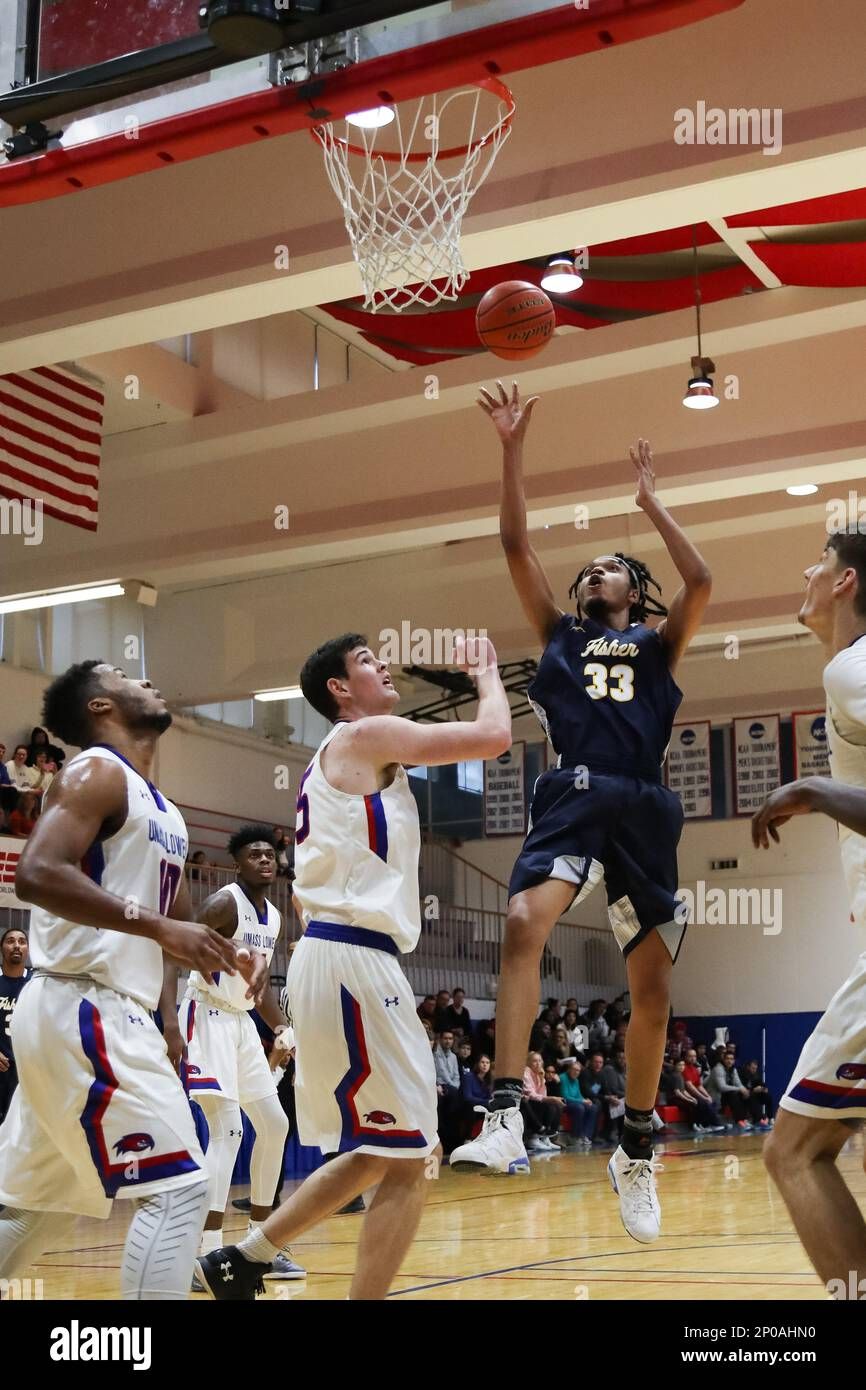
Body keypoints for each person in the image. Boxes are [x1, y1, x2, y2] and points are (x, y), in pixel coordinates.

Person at [452, 386, 711, 1241]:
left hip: (644, 804)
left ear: (636, 591)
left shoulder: (659, 642)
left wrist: (651, 502)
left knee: (655, 993)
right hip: (574, 791)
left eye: (612, 565)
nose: (596, 569)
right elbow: (513, 541)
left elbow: (703, 579)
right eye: (591, 566)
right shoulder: (558, 634)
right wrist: (510, 448)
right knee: (525, 920)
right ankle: (502, 1115)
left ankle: (635, 1148)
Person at [196, 631, 511, 1300]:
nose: (385, 664)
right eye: (368, 661)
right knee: (409, 1155)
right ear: (340, 689)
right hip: (351, 956)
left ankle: (244, 1259)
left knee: (384, 1149)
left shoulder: (358, 753)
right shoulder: (357, 739)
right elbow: (493, 737)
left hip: (343, 955)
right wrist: (488, 672)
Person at [0, 660, 257, 1300]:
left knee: (41, 1206)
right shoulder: (95, 771)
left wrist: (169, 1017)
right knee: (181, 1189)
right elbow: (34, 874)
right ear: (98, 707)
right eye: (121, 675)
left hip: (103, 1011)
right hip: (82, 1004)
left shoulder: (157, 802)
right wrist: (160, 930)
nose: (146, 678)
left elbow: (158, 920)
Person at [750, 524, 866, 1292]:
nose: (806, 571)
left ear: (847, 582)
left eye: (820, 563)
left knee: (792, 1150)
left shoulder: (854, 669)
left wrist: (810, 791)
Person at [171, 825, 301, 1283]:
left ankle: (259, 1246)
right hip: (205, 1015)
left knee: (275, 1125)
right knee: (226, 1132)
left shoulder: (275, 918)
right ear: (237, 864)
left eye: (269, 854)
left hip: (242, 1022)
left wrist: (280, 1025)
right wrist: (169, 1019)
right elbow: (181, 949)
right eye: (253, 855)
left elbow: (258, 987)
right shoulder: (225, 902)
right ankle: (202, 1257)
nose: (264, 860)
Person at [0, 928, 31, 1124]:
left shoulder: (36, 983)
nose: (17, 945)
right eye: (10, 941)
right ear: (2, 948)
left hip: (27, 1071)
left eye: (22, 941)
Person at [522, 1051, 562, 1154]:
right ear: (529, 1062)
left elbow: (542, 1094)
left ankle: (545, 1137)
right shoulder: (526, 1072)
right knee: (548, 1104)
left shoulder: (540, 1073)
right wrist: (549, 1099)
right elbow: (531, 1094)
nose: (538, 1063)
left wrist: (541, 1079)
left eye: (540, 1060)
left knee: (555, 1105)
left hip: (535, 1101)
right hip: (526, 1101)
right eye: (535, 1061)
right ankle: (534, 1138)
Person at [706, 1049, 751, 1127]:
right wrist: (739, 1089)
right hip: (715, 1097)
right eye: (727, 1059)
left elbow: (738, 1084)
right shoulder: (718, 1069)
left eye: (731, 1059)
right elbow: (722, 1087)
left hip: (725, 1096)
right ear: (723, 1059)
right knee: (733, 1094)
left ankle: (757, 1119)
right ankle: (739, 1120)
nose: (729, 1061)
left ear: (734, 1061)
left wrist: (745, 1090)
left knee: (748, 1094)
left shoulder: (733, 1070)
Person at [559, 1059, 596, 1149]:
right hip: (563, 1103)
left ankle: (586, 1136)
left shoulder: (576, 1081)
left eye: (578, 1070)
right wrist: (582, 1101)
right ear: (569, 1069)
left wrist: (585, 1100)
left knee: (593, 1107)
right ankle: (574, 1136)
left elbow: (578, 1095)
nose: (576, 1072)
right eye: (574, 1069)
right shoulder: (563, 1077)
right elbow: (565, 1096)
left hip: (575, 1102)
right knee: (580, 1108)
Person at [739, 1059, 773, 1128]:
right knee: (752, 1097)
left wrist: (763, 1089)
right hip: (744, 1095)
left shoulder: (756, 1075)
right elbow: (744, 1089)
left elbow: (763, 1085)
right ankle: (759, 1119)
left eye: (755, 1069)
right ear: (748, 1067)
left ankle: (770, 1118)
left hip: (755, 1095)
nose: (754, 1070)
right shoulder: (742, 1074)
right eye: (753, 1068)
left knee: (768, 1097)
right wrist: (754, 1090)